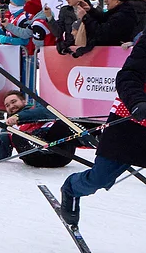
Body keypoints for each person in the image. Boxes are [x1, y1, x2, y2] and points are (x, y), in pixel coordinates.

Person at [59, 29, 146, 226]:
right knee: (100, 178)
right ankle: (72, 188)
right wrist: (137, 101)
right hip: (131, 122)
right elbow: (128, 76)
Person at [0, 91, 76, 167]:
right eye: (7, 105)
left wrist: (18, 117)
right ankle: (33, 142)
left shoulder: (38, 109)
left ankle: (86, 139)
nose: (11, 106)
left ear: (24, 101)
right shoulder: (8, 128)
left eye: (14, 102)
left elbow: (46, 112)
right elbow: (2, 156)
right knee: (17, 136)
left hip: (62, 154)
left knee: (62, 124)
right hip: (35, 158)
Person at [73, 0, 141, 54]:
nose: (105, 1)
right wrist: (90, 10)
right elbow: (103, 18)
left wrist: (85, 17)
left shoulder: (122, 16)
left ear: (117, 1)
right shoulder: (118, 12)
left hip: (115, 55)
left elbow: (102, 33)